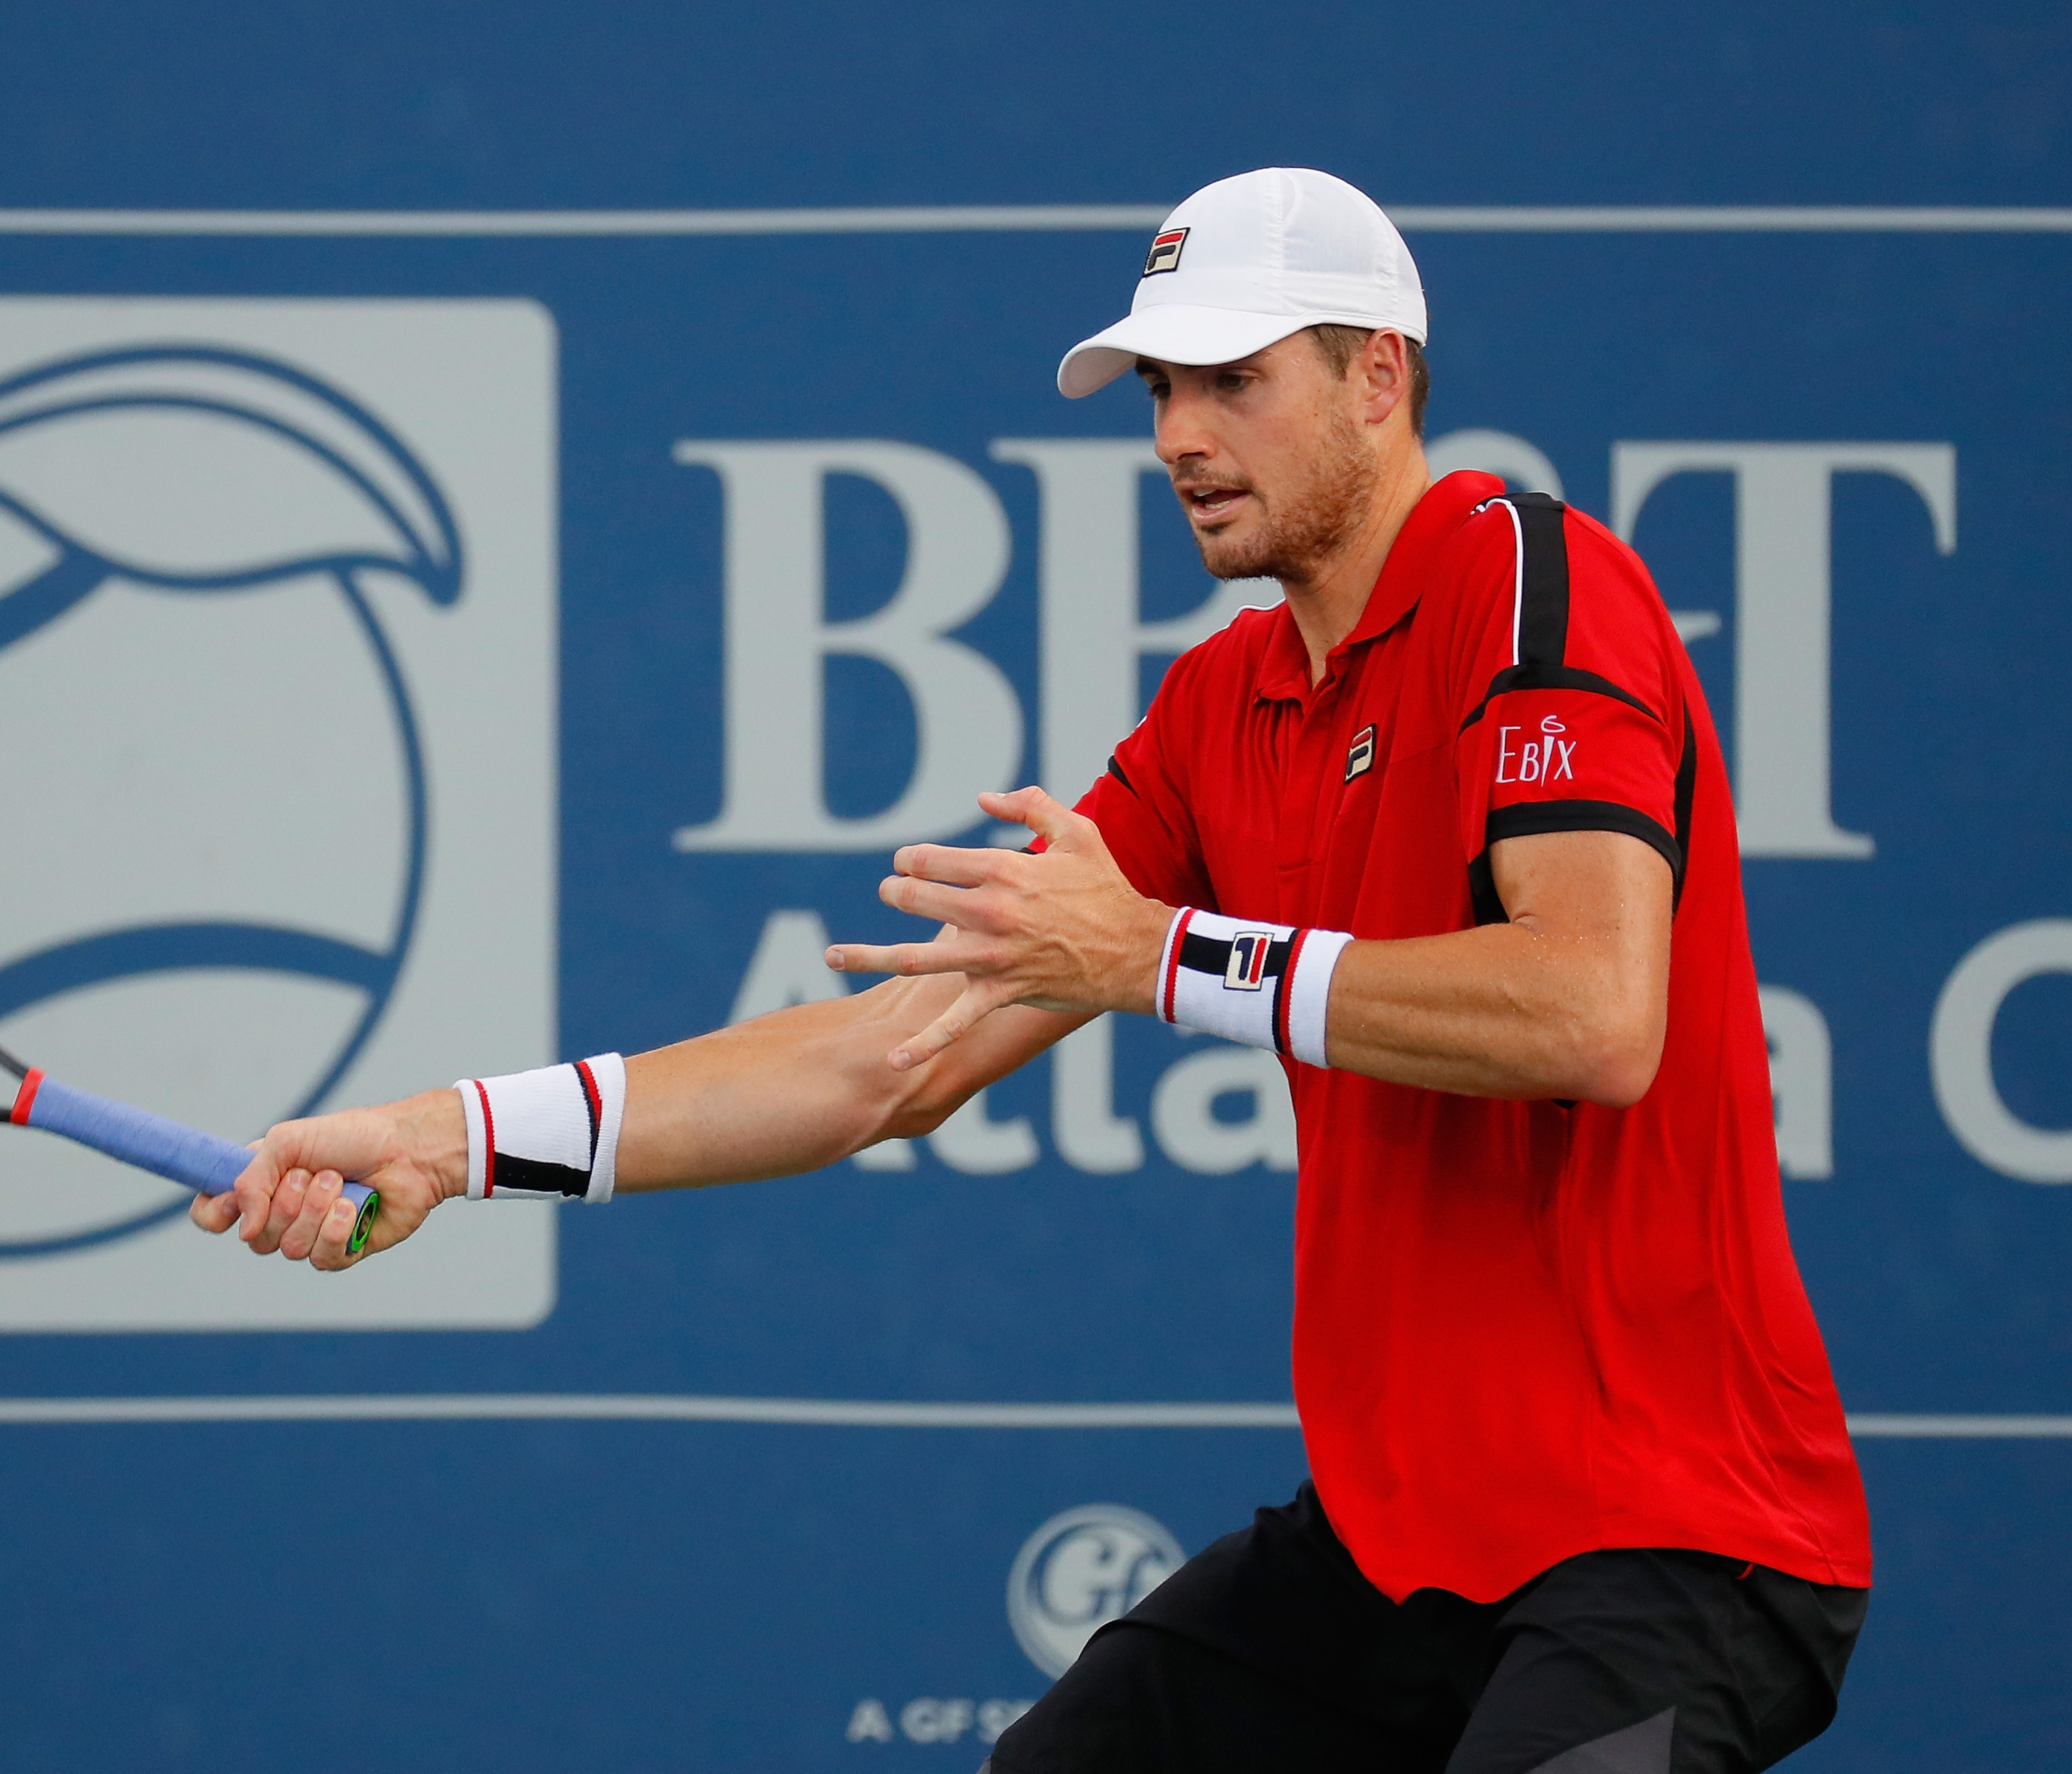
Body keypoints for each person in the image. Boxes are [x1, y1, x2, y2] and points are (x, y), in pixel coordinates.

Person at [192, 168, 1872, 1773]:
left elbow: (1592, 1014)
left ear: (1381, 377)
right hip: (1398, 1553)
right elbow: (889, 1060)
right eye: (1157, 390)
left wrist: (1167, 955)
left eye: (1232, 377)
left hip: (1676, 1539)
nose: (1181, 436)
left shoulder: (1531, 574)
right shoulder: (1222, 709)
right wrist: (445, 1135)